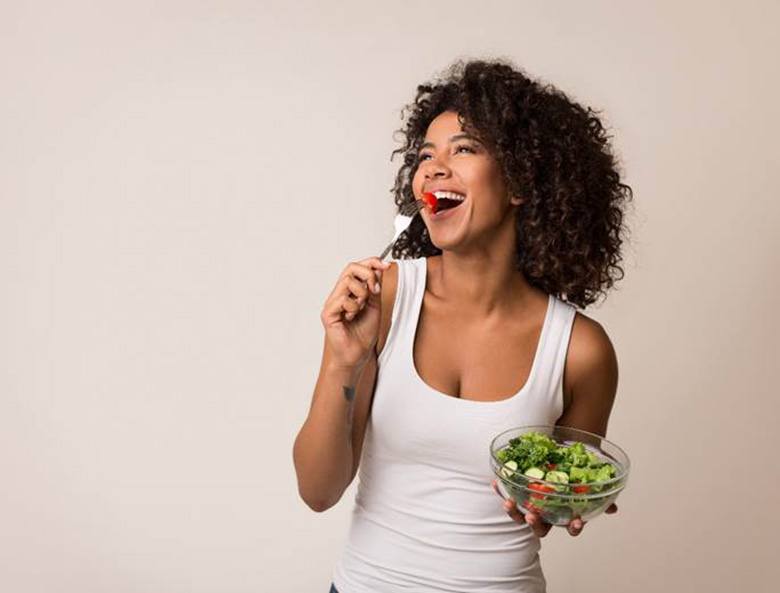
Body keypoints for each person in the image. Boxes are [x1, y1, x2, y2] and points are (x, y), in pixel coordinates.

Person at [292, 58, 633, 593]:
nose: (432, 168)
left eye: (464, 149)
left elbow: (550, 500)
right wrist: (343, 356)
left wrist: (563, 502)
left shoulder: (580, 350)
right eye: (426, 156)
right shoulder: (380, 302)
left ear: (520, 181)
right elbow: (317, 489)